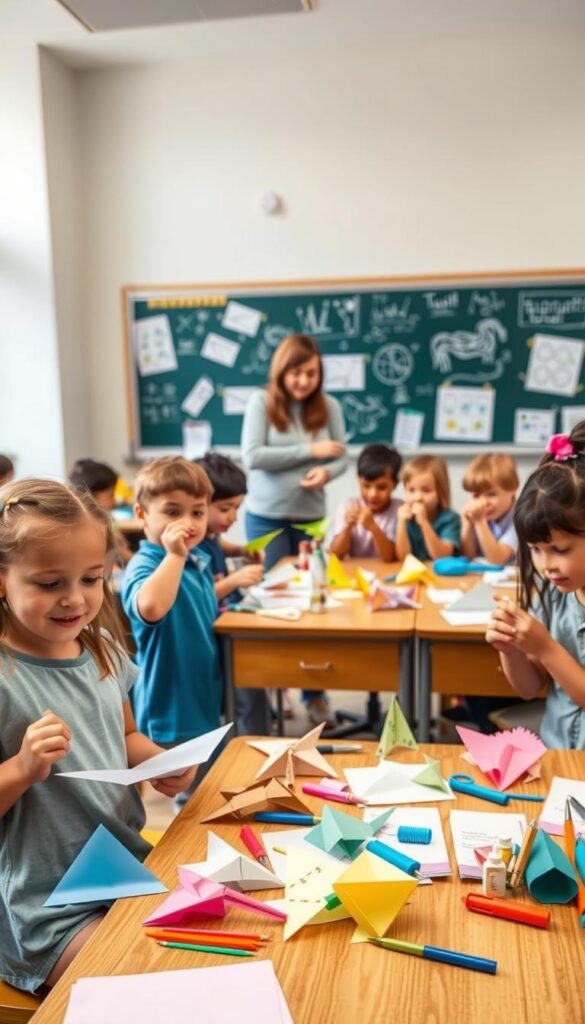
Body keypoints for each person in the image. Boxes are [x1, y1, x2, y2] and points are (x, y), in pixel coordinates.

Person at [0, 479, 195, 993]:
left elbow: (125, 736)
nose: (75, 599)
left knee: (207, 949)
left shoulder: (103, 649)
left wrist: (160, 761)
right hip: (46, 905)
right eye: (48, 583)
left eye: (91, 578)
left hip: (126, 867)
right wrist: (21, 769)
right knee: (145, 982)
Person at [241, 333, 348, 728]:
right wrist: (310, 452)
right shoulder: (261, 403)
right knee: (273, 603)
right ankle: (277, 689)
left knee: (312, 600)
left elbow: (341, 458)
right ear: (281, 371)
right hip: (264, 517)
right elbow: (253, 456)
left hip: (310, 519)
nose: (303, 381)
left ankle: (315, 694)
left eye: (311, 373)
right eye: (296, 373)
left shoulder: (329, 406)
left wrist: (327, 471)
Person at [122, 457, 223, 791]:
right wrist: (174, 556)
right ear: (141, 515)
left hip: (202, 696)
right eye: (172, 511)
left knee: (206, 786)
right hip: (170, 708)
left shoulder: (197, 559)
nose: (187, 522)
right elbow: (150, 607)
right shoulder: (148, 562)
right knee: (188, 792)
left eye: (197, 512)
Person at [486, 427, 585, 749]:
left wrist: (546, 648)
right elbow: (530, 688)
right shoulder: (554, 595)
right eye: (535, 549)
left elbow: (548, 655)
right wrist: (511, 649)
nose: (546, 565)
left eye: (560, 549)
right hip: (558, 753)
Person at [195, 452, 270, 735]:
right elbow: (196, 597)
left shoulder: (209, 533)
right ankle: (249, 740)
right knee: (244, 692)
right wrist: (234, 580)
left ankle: (257, 729)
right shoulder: (191, 545)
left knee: (252, 684)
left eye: (237, 508)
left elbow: (217, 541)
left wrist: (238, 550)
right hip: (214, 632)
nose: (233, 517)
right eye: (226, 509)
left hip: (230, 622)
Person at [329, 443, 402, 561]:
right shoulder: (349, 505)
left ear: (395, 484)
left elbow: (389, 557)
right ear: (358, 480)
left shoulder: (399, 510)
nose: (373, 494)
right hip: (353, 574)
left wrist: (373, 527)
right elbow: (336, 555)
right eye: (366, 486)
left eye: (381, 487)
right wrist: (347, 527)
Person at [395, 454, 460, 561]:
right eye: (411, 490)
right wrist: (401, 523)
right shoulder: (404, 516)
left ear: (441, 492)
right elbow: (403, 558)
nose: (418, 497)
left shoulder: (450, 519)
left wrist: (424, 523)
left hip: (443, 576)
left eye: (426, 490)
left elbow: (441, 557)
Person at [69, 458, 132, 567]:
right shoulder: (88, 527)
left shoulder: (106, 519)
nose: (115, 501)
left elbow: (122, 552)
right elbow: (112, 564)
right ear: (91, 497)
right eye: (111, 495)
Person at [460, 453, 519, 564]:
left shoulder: (520, 519)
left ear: (513, 488)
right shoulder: (480, 514)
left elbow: (497, 559)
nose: (483, 502)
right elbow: (468, 555)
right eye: (476, 495)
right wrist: (466, 524)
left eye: (491, 494)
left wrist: (480, 521)